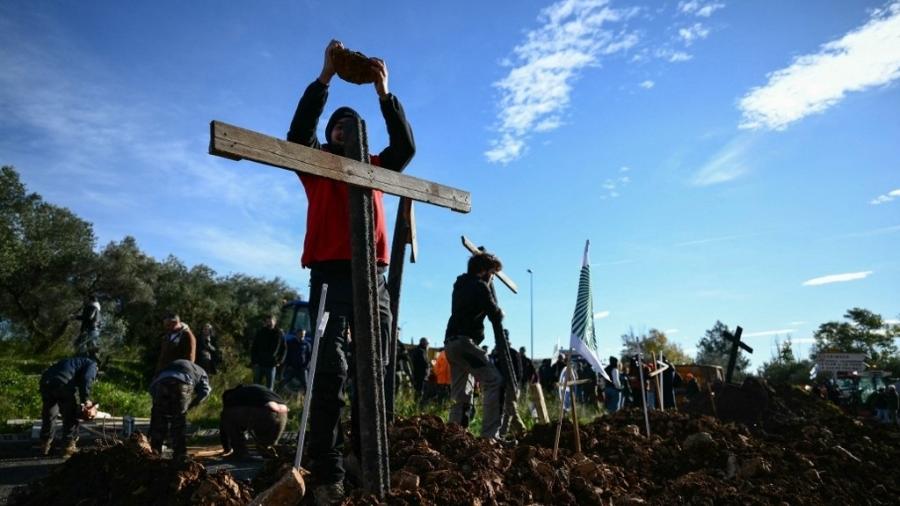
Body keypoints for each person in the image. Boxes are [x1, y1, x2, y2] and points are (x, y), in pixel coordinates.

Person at [285, 39, 415, 504]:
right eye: (337, 125)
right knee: (329, 374)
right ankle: (328, 471)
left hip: (373, 282)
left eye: (352, 123)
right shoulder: (316, 166)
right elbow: (298, 135)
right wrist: (324, 78)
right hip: (330, 279)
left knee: (375, 371)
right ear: (330, 135)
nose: (344, 129)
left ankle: (366, 458)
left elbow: (405, 146)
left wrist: (384, 93)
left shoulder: (378, 167)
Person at [444, 251, 506, 439]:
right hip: (464, 344)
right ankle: (490, 437)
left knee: (461, 394)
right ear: (484, 271)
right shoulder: (479, 286)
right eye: (492, 273)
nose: (492, 278)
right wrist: (500, 311)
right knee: (494, 380)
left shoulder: (460, 285)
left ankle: (456, 437)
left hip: (451, 344)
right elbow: (495, 314)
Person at [148, 359, 211, 458]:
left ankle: (154, 451)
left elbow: (152, 388)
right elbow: (205, 392)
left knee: (158, 418)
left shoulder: (170, 365)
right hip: (183, 382)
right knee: (178, 420)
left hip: (161, 382)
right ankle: (179, 454)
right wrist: (190, 406)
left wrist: (158, 404)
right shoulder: (202, 372)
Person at [38, 357, 98, 456]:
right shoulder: (92, 365)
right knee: (70, 415)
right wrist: (86, 400)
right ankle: (68, 447)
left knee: (49, 415)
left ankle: (44, 446)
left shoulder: (73, 362)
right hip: (62, 383)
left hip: (46, 382)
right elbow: (87, 379)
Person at [220, 384, 289, 459]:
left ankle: (240, 451)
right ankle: (271, 451)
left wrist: (227, 448)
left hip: (263, 411)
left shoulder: (232, 398)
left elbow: (224, 425)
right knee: (266, 446)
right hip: (283, 413)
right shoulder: (251, 390)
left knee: (226, 416)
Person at [498, 330, 525, 438]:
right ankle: (521, 430)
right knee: (510, 410)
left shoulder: (513, 353)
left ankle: (502, 433)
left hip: (511, 386)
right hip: (500, 386)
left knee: (509, 409)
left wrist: (513, 385)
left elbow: (519, 372)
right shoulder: (497, 353)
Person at [251, 315, 286, 389]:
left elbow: (284, 349)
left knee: (269, 387)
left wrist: (279, 361)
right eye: (267, 321)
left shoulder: (279, 334)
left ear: (275, 322)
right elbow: (254, 347)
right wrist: (254, 361)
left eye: (270, 321)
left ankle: (267, 400)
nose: (269, 323)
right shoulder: (261, 332)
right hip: (259, 363)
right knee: (256, 386)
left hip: (271, 365)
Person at [72, 295, 102, 360]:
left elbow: (89, 317)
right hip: (95, 330)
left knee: (80, 345)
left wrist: (75, 317)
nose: (86, 301)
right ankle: (94, 362)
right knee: (90, 347)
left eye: (88, 299)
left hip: (89, 329)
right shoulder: (97, 309)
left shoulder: (92, 307)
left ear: (91, 300)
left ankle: (82, 361)